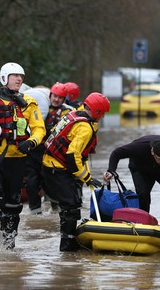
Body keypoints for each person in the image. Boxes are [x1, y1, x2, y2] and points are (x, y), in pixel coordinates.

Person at [0, 62, 46, 252]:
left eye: (21, 76)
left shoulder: (29, 102)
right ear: (5, 78)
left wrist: (31, 142)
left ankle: (8, 242)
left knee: (13, 204)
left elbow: (39, 128)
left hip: (17, 160)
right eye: (15, 76)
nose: (19, 79)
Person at [42, 92, 110, 252]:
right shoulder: (85, 127)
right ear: (98, 111)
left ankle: (68, 242)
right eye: (103, 113)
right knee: (71, 207)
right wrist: (86, 178)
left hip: (50, 165)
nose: (103, 117)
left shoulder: (73, 114)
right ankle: (67, 247)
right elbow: (73, 155)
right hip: (56, 169)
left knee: (70, 204)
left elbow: (80, 155)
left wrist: (87, 175)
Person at [25, 82, 74, 214]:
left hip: (52, 154)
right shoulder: (39, 107)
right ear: (50, 95)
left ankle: (55, 209)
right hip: (34, 151)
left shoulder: (67, 112)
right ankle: (35, 213)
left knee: (51, 183)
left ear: (64, 99)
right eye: (55, 96)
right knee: (31, 182)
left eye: (60, 97)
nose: (56, 99)